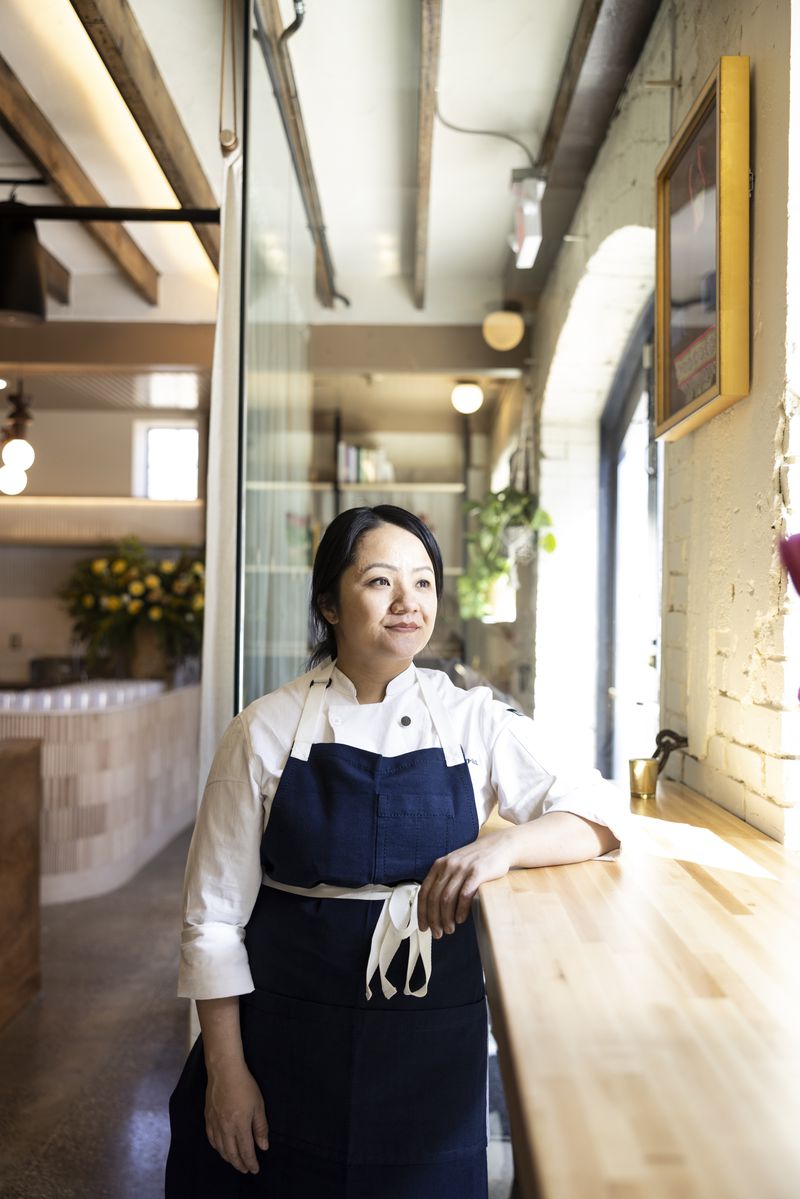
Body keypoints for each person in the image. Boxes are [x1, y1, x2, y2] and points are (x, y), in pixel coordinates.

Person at [166, 504, 626, 1198]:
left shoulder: (473, 718)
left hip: (429, 1050)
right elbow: (213, 919)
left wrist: (499, 852)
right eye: (381, 581)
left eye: (423, 582)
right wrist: (228, 1074)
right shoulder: (263, 729)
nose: (408, 602)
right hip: (287, 1038)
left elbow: (599, 812)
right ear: (329, 601)